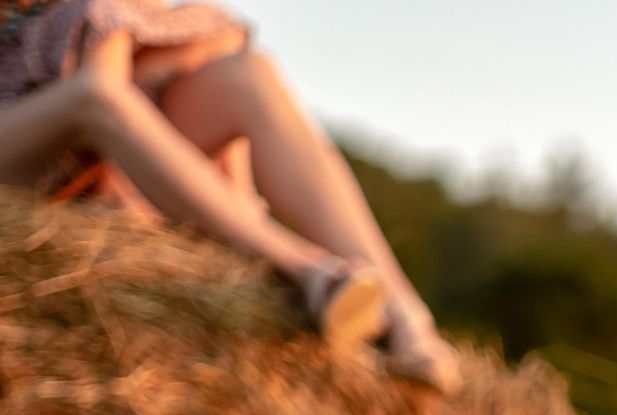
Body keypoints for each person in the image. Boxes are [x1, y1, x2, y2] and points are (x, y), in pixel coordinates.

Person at [0, 2, 460, 387]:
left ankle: (403, 310)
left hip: (84, 146)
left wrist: (234, 197)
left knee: (248, 74)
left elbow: (165, 41)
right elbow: (101, 81)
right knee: (97, 94)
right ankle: (307, 269)